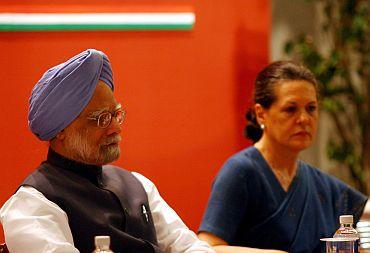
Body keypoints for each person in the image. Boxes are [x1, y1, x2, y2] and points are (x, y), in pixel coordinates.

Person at [0, 49, 215, 253]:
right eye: (101, 119)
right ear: (61, 130)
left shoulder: (139, 185)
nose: (116, 128)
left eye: (116, 114)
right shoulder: (32, 205)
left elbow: (190, 246)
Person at [198, 61, 370, 253]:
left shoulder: (319, 183)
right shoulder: (241, 170)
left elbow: (363, 218)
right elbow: (208, 247)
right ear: (261, 114)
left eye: (311, 108)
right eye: (291, 109)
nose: (304, 119)